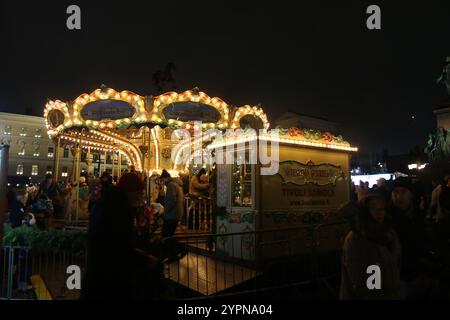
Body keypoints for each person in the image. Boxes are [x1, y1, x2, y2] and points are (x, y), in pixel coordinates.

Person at [340, 194, 402, 299]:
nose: (379, 212)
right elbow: (361, 279)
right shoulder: (357, 238)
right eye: (373, 208)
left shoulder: (389, 233)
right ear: (365, 211)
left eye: (381, 208)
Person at [389, 177, 439, 299]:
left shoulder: (417, 214)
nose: (399, 196)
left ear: (411, 194)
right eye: (395, 192)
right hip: (399, 276)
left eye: (403, 191)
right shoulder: (387, 218)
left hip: (419, 271)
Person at [160, 169, 186, 262]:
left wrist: (165, 211)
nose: (162, 182)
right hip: (176, 213)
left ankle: (180, 249)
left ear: (166, 178)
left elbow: (171, 201)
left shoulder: (171, 185)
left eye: (162, 180)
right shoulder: (178, 185)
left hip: (171, 215)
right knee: (169, 235)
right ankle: (174, 254)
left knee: (166, 236)